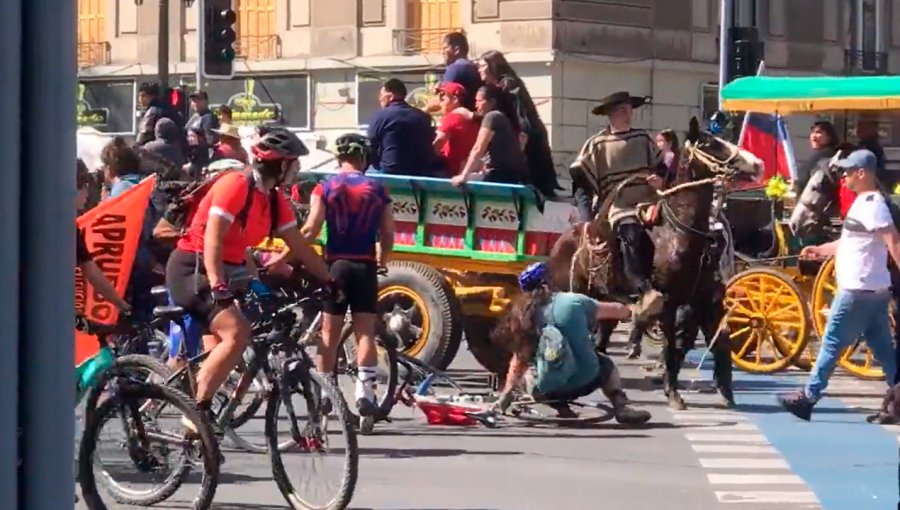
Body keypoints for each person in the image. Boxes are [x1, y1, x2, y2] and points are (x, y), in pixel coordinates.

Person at [165, 128, 334, 431]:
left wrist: (330, 280)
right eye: (293, 163)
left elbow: (297, 243)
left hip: (231, 270)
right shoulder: (236, 184)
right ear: (279, 165)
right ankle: (196, 414)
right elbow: (213, 239)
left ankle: (200, 430)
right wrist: (217, 285)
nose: (296, 169)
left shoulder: (273, 198)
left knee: (245, 334)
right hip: (194, 268)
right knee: (237, 331)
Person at [779, 149, 899, 421]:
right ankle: (898, 398)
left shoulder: (872, 204)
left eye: (848, 171)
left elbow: (893, 240)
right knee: (884, 352)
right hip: (872, 290)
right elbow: (851, 243)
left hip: (857, 289)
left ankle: (808, 398)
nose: (844, 176)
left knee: (831, 343)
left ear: (862, 173)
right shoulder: (863, 202)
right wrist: (820, 250)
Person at [301, 133, 394, 418]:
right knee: (365, 331)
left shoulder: (325, 187)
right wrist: (382, 260)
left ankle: (326, 395)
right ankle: (365, 393)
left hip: (336, 265)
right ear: (363, 158)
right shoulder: (377, 188)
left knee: (329, 334)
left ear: (339, 156)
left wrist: (290, 252)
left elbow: (311, 228)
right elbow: (389, 234)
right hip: (365, 266)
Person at [491, 262, 651, 424]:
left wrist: (507, 393)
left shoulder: (524, 316)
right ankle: (621, 406)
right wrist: (631, 309)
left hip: (547, 389)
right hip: (587, 379)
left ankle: (563, 409)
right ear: (550, 281)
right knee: (605, 363)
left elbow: (520, 359)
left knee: (530, 368)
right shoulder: (574, 301)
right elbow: (618, 310)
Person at [569, 91, 664, 321]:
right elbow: (582, 184)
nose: (628, 114)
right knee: (631, 232)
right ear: (610, 114)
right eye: (622, 110)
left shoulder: (642, 138)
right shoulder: (596, 145)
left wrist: (660, 180)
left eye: (630, 109)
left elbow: (663, 167)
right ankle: (644, 290)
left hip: (651, 200)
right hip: (619, 206)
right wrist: (586, 216)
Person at [479, 50, 560, 197]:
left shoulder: (507, 84)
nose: (479, 70)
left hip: (528, 137)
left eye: (482, 65)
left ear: (492, 65)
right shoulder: (503, 84)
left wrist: (519, 144)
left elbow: (519, 114)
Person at [76, 158, 131, 314]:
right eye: (85, 186)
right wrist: (122, 306)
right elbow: (92, 273)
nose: (88, 194)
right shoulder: (66, 227)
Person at [451, 84, 529, 186]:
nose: (476, 105)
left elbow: (478, 148)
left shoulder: (492, 117)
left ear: (492, 102)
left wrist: (464, 175)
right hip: (515, 176)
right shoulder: (506, 118)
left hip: (499, 177)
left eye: (479, 101)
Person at [367, 78, 440, 176]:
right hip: (422, 171)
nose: (380, 99)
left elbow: (371, 144)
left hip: (390, 170)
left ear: (390, 96)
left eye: (381, 95)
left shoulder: (381, 116)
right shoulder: (422, 116)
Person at [425, 32, 481, 112]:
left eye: (445, 48)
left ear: (456, 50)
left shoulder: (454, 68)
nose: (442, 52)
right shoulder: (475, 67)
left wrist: (425, 109)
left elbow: (444, 99)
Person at [432, 82, 479, 177]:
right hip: (469, 171)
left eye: (442, 95)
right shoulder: (472, 119)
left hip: (450, 172)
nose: (440, 100)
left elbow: (437, 143)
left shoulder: (452, 117)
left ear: (454, 99)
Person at [136, 81, 183, 147]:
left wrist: (137, 147)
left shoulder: (152, 112)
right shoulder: (171, 108)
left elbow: (145, 134)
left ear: (151, 96)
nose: (140, 99)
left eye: (143, 95)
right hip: (177, 149)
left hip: (156, 150)